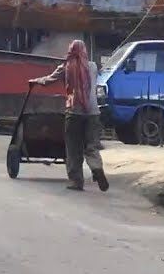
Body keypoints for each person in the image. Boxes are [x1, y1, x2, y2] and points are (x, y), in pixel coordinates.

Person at [30, 39, 109, 192]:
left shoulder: (66, 66)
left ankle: (76, 181)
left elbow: (48, 80)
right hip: (93, 113)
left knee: (73, 148)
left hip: (74, 112)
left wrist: (35, 81)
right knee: (91, 146)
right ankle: (96, 168)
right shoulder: (92, 66)